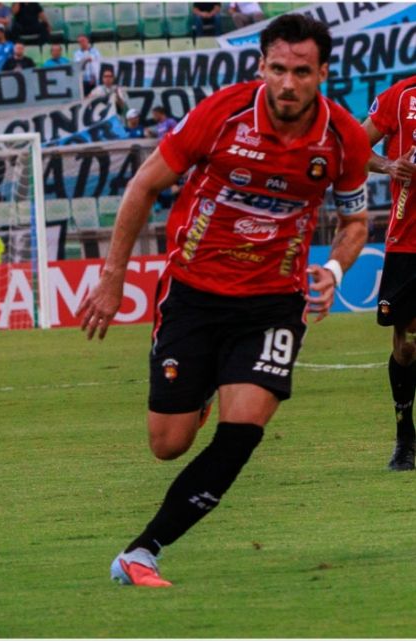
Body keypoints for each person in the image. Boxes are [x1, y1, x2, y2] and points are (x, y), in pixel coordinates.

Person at [78, 14, 371, 587]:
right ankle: (206, 387)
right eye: (278, 69)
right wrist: (112, 279)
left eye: (302, 72)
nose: (288, 83)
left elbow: (355, 221)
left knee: (242, 433)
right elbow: (144, 185)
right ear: (261, 67)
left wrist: (334, 268)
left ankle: (142, 552)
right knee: (168, 444)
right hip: (193, 294)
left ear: (323, 74)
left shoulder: (344, 139)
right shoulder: (221, 115)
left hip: (273, 303)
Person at [362, 75, 416, 470]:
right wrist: (388, 165)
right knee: (407, 344)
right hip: (408, 240)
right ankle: (405, 438)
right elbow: (354, 146)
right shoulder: (401, 96)